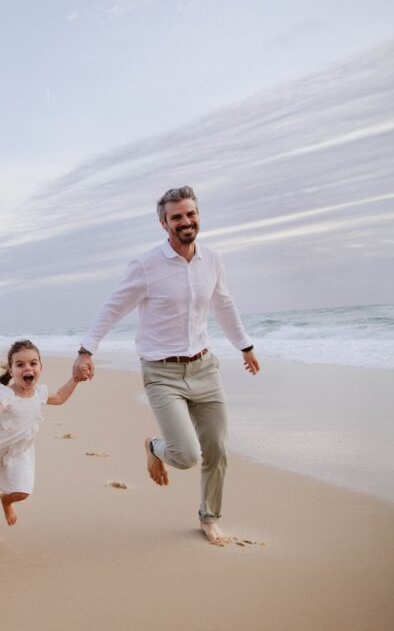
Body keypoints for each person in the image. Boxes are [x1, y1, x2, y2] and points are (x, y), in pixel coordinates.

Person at [73, 185, 260, 545]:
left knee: (218, 449)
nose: (185, 222)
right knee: (187, 455)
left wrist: (245, 346)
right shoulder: (146, 266)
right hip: (162, 374)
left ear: (198, 216)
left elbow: (224, 304)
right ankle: (155, 448)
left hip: (205, 368)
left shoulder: (213, 260)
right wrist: (86, 350)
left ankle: (210, 517)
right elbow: (113, 307)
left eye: (191, 214)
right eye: (176, 217)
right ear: (163, 223)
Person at [0, 339, 87, 542]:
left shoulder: (39, 394)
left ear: (40, 368)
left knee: (23, 491)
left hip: (22, 450)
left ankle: (7, 501)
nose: (28, 368)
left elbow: (60, 397)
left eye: (33, 363)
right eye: (20, 364)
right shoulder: (7, 394)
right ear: (11, 370)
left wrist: (75, 380)